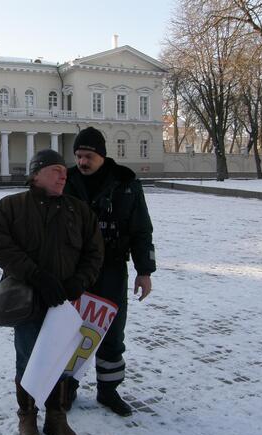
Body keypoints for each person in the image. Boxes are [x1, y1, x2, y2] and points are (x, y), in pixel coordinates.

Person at [0, 149, 104, 435]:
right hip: (29, 301)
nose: (63, 174)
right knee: (28, 358)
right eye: (55, 170)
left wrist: (79, 282)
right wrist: (37, 276)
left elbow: (95, 252)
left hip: (66, 304)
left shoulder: (79, 211)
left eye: (64, 170)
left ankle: (56, 417)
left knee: (62, 361)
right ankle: (27, 415)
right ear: (36, 173)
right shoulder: (9, 207)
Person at [63, 127, 156, 416]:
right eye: (78, 156)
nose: (82, 162)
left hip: (112, 268)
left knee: (112, 331)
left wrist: (145, 270)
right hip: (75, 270)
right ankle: (67, 388)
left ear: (102, 155)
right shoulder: (67, 181)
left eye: (88, 156)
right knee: (70, 331)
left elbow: (141, 229)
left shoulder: (125, 183)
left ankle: (108, 390)